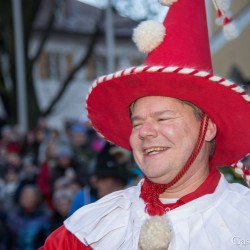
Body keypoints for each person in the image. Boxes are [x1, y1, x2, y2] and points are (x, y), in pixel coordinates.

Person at [40, 0, 250, 249]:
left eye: (163, 118)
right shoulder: (87, 230)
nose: (144, 132)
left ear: (208, 127)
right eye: (137, 123)